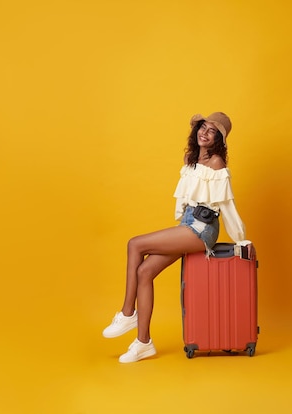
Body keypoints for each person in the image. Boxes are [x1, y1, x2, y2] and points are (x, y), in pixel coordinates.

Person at [102, 112, 252, 363]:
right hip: (186, 225)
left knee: (135, 244)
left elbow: (227, 205)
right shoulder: (190, 159)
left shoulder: (217, 164)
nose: (204, 132)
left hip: (202, 229)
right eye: (202, 127)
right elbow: (185, 198)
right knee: (145, 272)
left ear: (219, 140)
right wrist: (180, 220)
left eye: (211, 131)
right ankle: (143, 343)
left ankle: (128, 313)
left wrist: (241, 239)